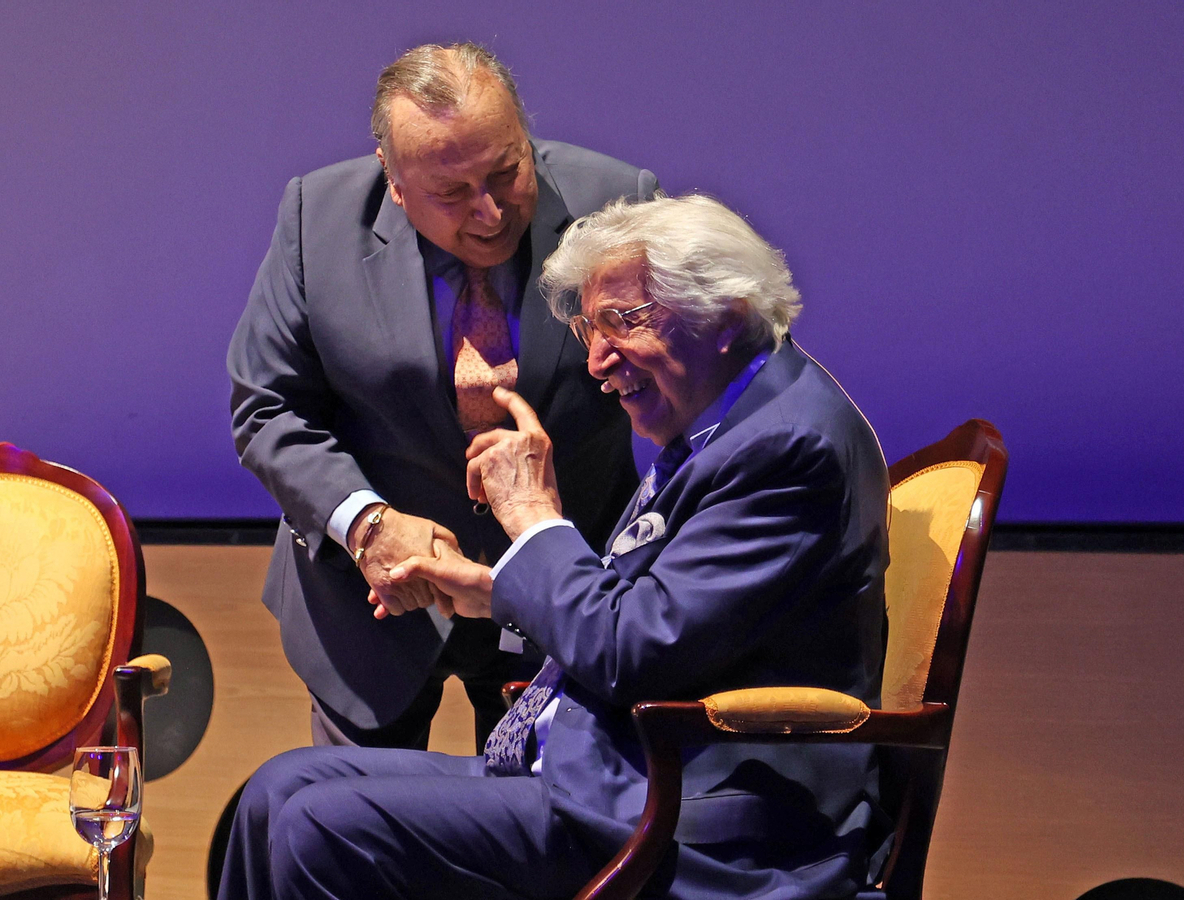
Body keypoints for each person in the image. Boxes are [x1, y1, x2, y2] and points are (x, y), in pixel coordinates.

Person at [218, 194, 891, 900]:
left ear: (724, 318)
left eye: (618, 323)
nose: (597, 361)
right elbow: (650, 613)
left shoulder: (788, 447)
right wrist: (493, 590)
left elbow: (631, 649)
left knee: (323, 827)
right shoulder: (731, 419)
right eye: (586, 326)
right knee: (276, 792)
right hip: (616, 769)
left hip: (697, 816)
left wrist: (533, 516)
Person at [228, 43, 656, 749]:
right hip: (371, 605)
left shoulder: (620, 206)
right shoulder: (317, 218)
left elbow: (688, 380)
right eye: (451, 193)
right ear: (394, 183)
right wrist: (366, 525)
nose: (490, 212)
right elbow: (268, 406)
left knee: (546, 849)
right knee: (363, 842)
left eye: (506, 171)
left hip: (560, 605)